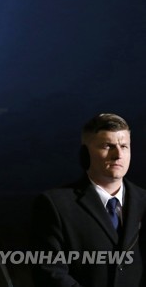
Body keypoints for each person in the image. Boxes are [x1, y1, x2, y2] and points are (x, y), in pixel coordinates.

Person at [31, 113, 146, 287]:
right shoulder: (55, 204)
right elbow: (49, 271)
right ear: (85, 153)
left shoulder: (143, 201)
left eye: (124, 146)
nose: (118, 154)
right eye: (108, 146)